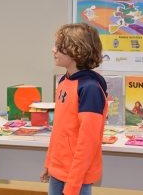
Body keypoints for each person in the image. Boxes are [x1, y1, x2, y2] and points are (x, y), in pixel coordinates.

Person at [40, 23, 108, 195]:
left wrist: (72, 186)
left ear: (76, 50)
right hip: (58, 171)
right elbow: (58, 130)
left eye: (59, 46)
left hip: (76, 178)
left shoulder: (90, 89)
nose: (53, 49)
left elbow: (88, 143)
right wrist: (49, 163)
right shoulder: (64, 82)